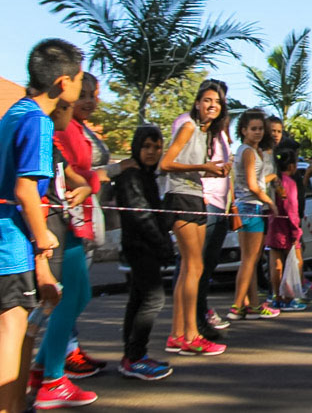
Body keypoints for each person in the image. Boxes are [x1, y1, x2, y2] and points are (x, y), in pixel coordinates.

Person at [1, 39, 81, 413]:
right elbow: (26, 189)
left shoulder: (15, 113)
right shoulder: (37, 121)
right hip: (11, 245)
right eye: (80, 79)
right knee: (13, 335)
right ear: (64, 83)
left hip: (10, 241)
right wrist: (44, 237)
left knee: (18, 332)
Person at [160, 82, 228, 356]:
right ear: (198, 103)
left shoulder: (205, 132)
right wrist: (203, 166)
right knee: (193, 266)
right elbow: (165, 164)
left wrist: (213, 172)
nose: (213, 105)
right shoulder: (188, 125)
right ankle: (190, 334)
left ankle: (179, 334)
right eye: (208, 100)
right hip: (180, 197)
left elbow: (190, 167)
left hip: (195, 195)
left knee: (193, 268)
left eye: (217, 102)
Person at [51, 72, 107, 378]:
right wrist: (93, 180)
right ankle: (52, 375)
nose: (88, 100)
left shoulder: (78, 127)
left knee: (80, 294)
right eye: (82, 93)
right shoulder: (61, 126)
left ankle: (48, 362)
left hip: (81, 218)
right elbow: (68, 171)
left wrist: (90, 180)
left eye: (94, 94)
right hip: (66, 218)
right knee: (68, 297)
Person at [114, 125, 175, 380]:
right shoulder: (132, 176)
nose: (152, 152)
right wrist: (162, 244)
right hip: (140, 247)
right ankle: (135, 356)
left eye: (157, 147)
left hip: (146, 245)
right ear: (136, 147)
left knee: (139, 299)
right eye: (146, 146)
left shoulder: (148, 175)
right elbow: (141, 214)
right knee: (153, 299)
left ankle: (132, 355)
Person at [228, 109, 280, 320]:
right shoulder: (248, 152)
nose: (257, 132)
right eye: (253, 129)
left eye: (260, 129)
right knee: (250, 259)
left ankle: (253, 304)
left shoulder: (246, 151)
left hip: (245, 206)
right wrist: (270, 203)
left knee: (250, 259)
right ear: (244, 130)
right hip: (251, 206)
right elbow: (252, 185)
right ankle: (237, 305)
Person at [267, 149, 306, 311]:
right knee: (296, 261)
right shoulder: (289, 183)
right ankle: (290, 297)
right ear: (292, 165)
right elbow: (292, 208)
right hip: (287, 226)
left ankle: (277, 296)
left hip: (273, 224)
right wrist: (295, 230)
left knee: (275, 261)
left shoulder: (273, 181)